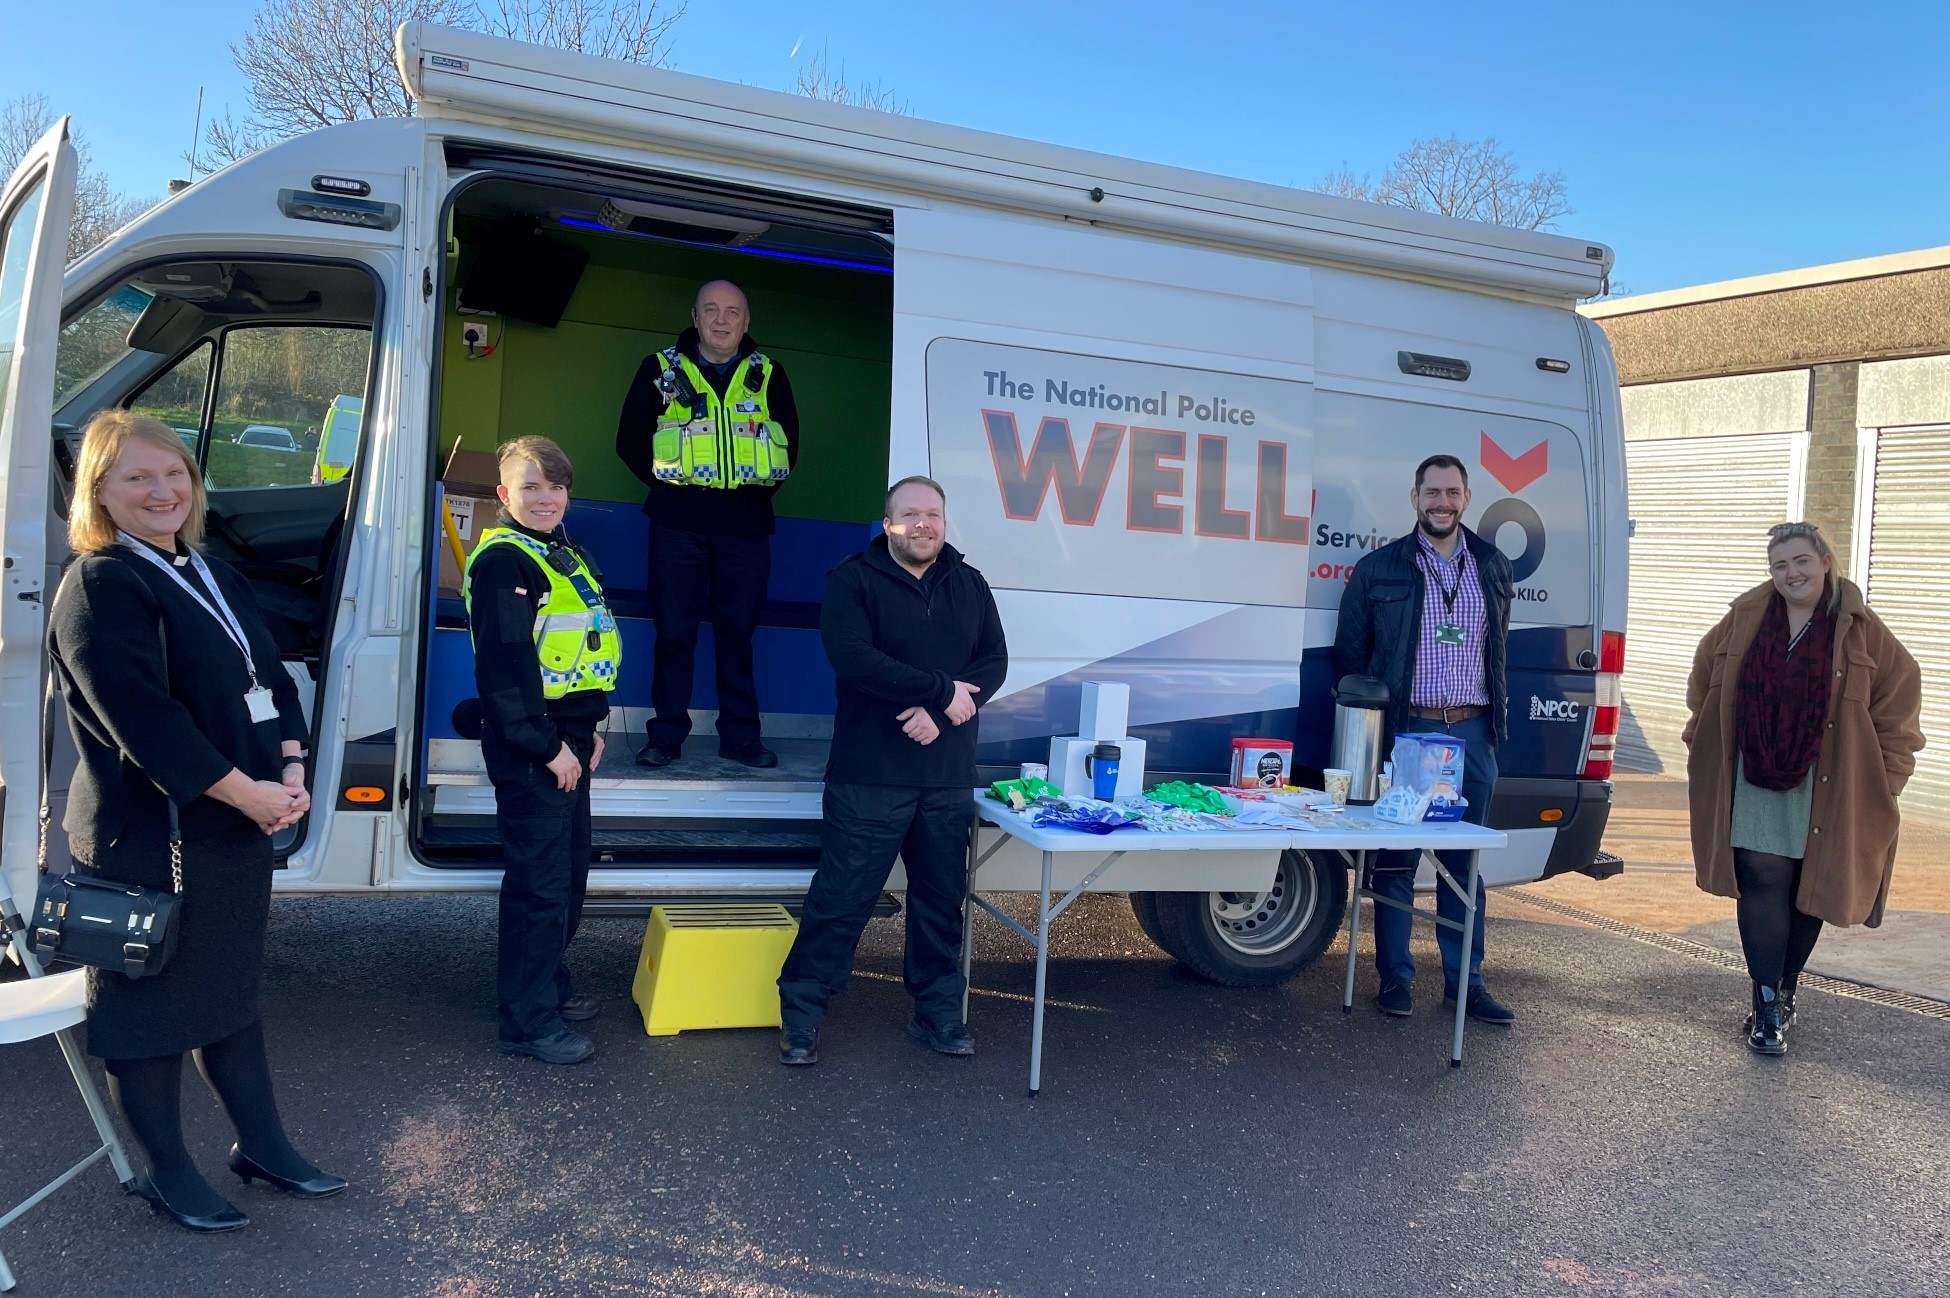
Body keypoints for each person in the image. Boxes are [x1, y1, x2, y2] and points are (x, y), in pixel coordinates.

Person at [46, 411, 344, 1234]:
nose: (162, 491)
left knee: (228, 994)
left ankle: (263, 1147)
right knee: (146, 1015)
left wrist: (290, 765)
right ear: (99, 491)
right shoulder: (101, 583)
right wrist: (249, 794)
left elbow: (270, 676)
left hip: (228, 826)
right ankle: (165, 1173)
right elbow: (146, 724)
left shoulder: (210, 571)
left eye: (173, 472)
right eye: (137, 477)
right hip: (145, 838)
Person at [775, 477, 1008, 1066]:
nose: (923, 524)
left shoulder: (971, 584)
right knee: (840, 900)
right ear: (888, 525)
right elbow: (854, 659)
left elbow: (994, 661)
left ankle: (937, 1015)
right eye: (910, 514)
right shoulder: (852, 580)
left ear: (944, 523)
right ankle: (801, 1017)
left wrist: (941, 711)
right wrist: (939, 690)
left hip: (946, 775)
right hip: (869, 774)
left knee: (940, 904)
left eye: (933, 514)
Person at [1682, 522, 1923, 1056]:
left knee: (1809, 886)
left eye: (1800, 561)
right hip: (1754, 771)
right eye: (1780, 565)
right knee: (1761, 874)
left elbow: (1900, 694)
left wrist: (1888, 776)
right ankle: (1767, 1004)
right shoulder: (1745, 618)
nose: (1791, 574)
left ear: (1824, 562)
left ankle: (1786, 989)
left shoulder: (1859, 628)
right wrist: (1701, 737)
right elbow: (1703, 677)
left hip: (1829, 778)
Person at [1334, 453, 1517, 1025]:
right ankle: (1396, 978)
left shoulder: (1492, 565)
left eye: (1452, 493)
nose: (1443, 503)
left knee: (1463, 864)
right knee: (1396, 860)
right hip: (1410, 731)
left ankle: (1467, 984)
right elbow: (1352, 658)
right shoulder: (1379, 569)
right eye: (1432, 492)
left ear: (1467, 498)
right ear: (1415, 498)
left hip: (1473, 731)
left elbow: (1496, 647)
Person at [463, 436, 621, 1065]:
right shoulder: (504, 561)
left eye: (555, 487)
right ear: (505, 494)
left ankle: (548, 987)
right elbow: (505, 671)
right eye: (531, 487)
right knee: (540, 888)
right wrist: (547, 746)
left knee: (568, 877)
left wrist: (590, 728)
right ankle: (526, 1024)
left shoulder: (557, 551)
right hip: (536, 747)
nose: (546, 497)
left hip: (569, 736)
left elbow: (575, 652)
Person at [616, 279, 800, 770]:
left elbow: (790, 448)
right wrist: (675, 490)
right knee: (673, 633)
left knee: (738, 635)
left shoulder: (769, 373)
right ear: (694, 317)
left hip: (746, 527)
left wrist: (740, 496)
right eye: (711, 310)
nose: (722, 320)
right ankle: (665, 736)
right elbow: (629, 441)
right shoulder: (659, 369)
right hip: (676, 523)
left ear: (746, 321)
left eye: (733, 311)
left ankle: (741, 738)